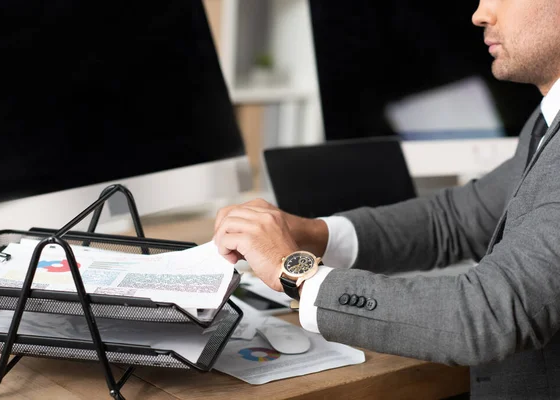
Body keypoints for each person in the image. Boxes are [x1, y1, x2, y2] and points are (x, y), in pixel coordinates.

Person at [213, 0, 560, 398]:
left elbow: (489, 316)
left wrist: (296, 274)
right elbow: (458, 218)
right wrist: (314, 233)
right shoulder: (548, 117)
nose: (480, 14)